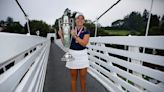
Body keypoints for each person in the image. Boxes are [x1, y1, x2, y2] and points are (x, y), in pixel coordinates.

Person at [59, 12, 90, 92]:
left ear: (84, 21)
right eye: (78, 18)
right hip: (72, 53)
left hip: (82, 54)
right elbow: (66, 44)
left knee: (83, 79)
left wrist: (75, 36)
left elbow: (84, 43)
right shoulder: (69, 29)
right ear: (75, 20)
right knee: (73, 78)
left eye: (81, 18)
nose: (80, 20)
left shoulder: (86, 31)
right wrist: (61, 36)